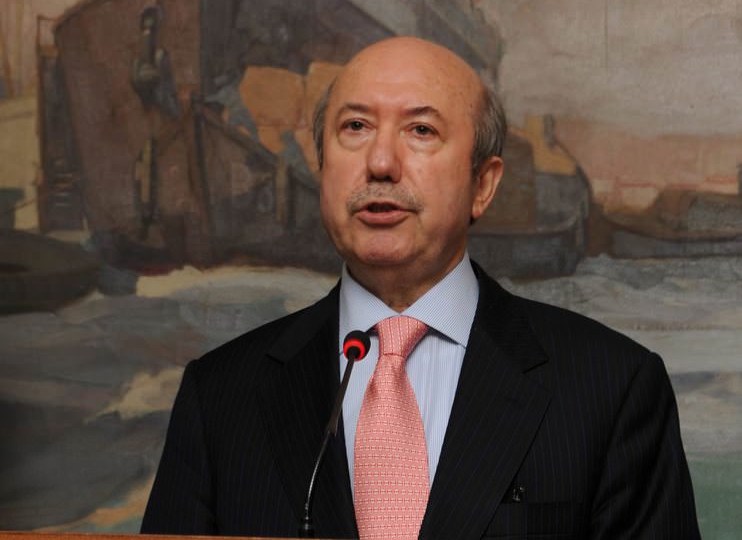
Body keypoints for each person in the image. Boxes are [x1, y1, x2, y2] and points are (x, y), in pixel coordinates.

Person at [141, 36, 701, 539]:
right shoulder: (219, 397)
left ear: (483, 185)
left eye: (421, 131)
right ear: (322, 167)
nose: (381, 162)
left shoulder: (613, 388)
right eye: (355, 128)